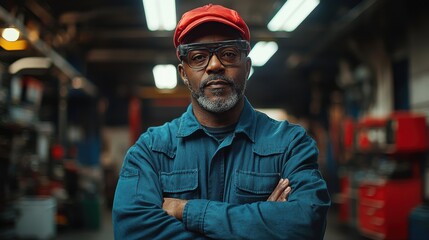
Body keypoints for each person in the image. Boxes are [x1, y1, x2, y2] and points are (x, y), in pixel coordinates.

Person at [112, 4, 331, 239]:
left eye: (228, 54)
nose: (215, 66)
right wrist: (262, 226)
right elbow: (132, 232)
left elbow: (305, 223)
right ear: (183, 73)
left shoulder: (290, 144)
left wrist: (186, 210)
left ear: (246, 67)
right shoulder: (151, 151)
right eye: (198, 57)